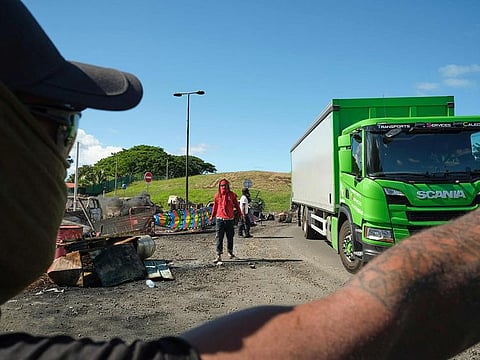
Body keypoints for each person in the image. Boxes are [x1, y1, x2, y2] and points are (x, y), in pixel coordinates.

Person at [2, 2, 480, 360]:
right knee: (223, 236)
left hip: (233, 220)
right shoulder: (221, 196)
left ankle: (226, 251)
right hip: (224, 221)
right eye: (61, 124)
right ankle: (221, 252)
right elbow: (342, 332)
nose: (63, 158)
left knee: (231, 236)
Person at [209, 179, 243, 262]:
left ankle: (230, 252)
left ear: (228, 186)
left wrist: (240, 214)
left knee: (230, 237)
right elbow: (215, 207)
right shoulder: (217, 196)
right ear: (219, 187)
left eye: (225, 185)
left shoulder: (232, 195)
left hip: (230, 220)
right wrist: (212, 216)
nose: (223, 187)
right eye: (222, 185)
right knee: (219, 238)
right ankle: (218, 255)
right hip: (220, 219)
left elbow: (237, 206)